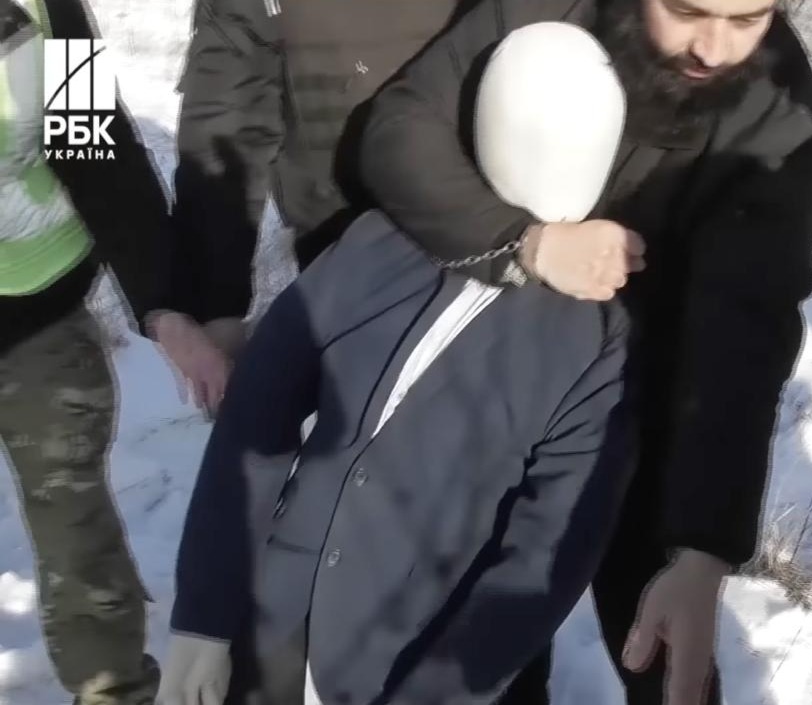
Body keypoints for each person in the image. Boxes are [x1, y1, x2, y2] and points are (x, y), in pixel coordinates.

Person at [355, 1, 812, 703]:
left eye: (747, 19)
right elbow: (401, 130)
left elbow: (743, 330)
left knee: (664, 658)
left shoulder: (781, 119)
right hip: (489, 393)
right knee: (484, 656)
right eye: (686, 10)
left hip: (647, 421)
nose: (713, 47)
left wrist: (702, 547)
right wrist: (523, 242)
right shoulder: (544, 8)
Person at [157, 23, 637, 705]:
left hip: (414, 648)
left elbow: (545, 555)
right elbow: (255, 419)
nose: (553, 156)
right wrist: (205, 614)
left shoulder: (594, 344)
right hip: (278, 625)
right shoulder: (375, 245)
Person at [0, 0, 218, 701]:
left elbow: (93, 145)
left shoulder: (45, 6)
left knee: (73, 526)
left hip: (39, 305)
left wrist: (162, 302)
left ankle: (113, 691)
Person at [168, 0, 484, 368]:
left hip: (488, 242)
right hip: (360, 252)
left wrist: (215, 306)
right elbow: (226, 121)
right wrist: (215, 300)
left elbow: (225, 120)